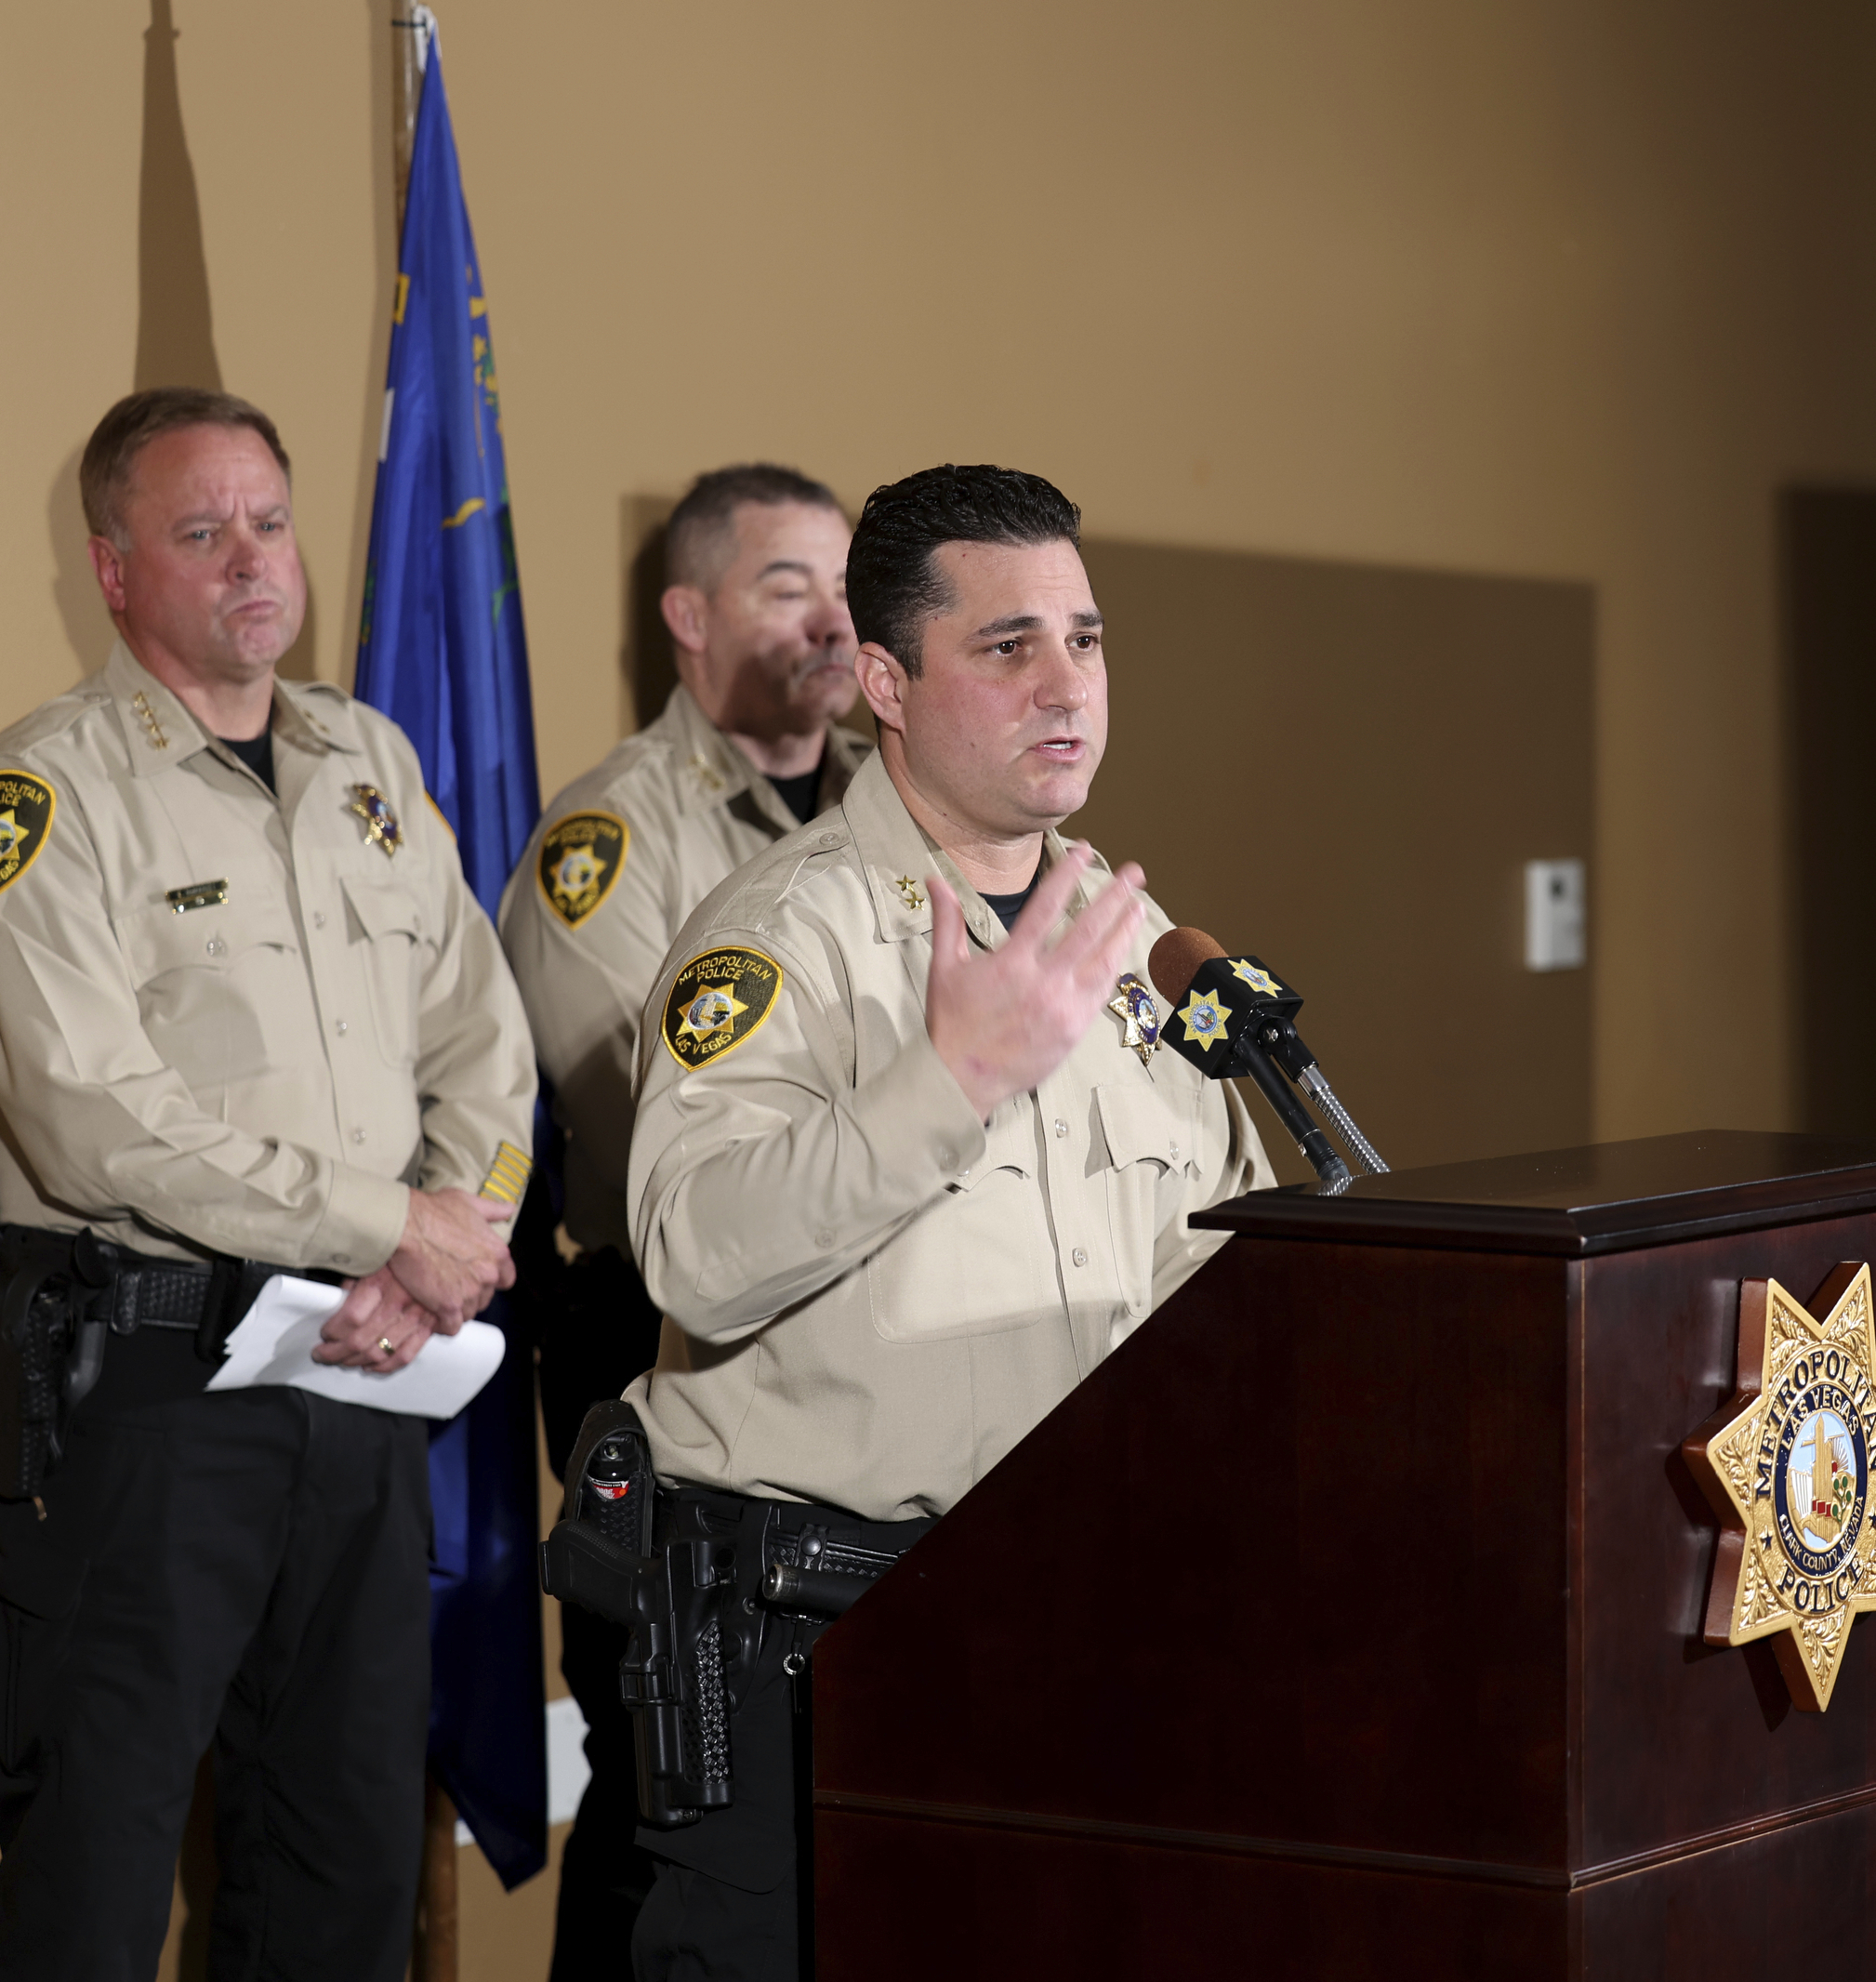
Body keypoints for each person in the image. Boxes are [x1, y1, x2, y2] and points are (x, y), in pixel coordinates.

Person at [607, 462, 1273, 1975]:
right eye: (1008, 645)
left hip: (1086, 1625)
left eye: (1086, 640)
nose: (1066, 684)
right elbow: (694, 1251)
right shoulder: (781, 935)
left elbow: (1218, 1277)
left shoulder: (1126, 940)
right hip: (819, 1632)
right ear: (886, 683)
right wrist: (950, 1078)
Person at [0, 389, 534, 1976]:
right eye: (198, 530)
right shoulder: (50, 792)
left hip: (364, 1373)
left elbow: (482, 1035)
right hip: (144, 1399)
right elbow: (93, 1121)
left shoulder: (363, 757)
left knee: (343, 1861)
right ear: (112, 567)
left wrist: (455, 1236)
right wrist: (389, 1224)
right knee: (83, 1872)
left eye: (270, 521)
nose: (253, 561)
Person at [496, 463, 871, 1979]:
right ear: (688, 615)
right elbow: (671, 1138)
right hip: (660, 1350)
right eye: (791, 585)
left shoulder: (897, 808)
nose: (837, 619)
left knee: (844, 1804)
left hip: (860, 1353)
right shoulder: (609, 841)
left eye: (849, 586)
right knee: (677, 1800)